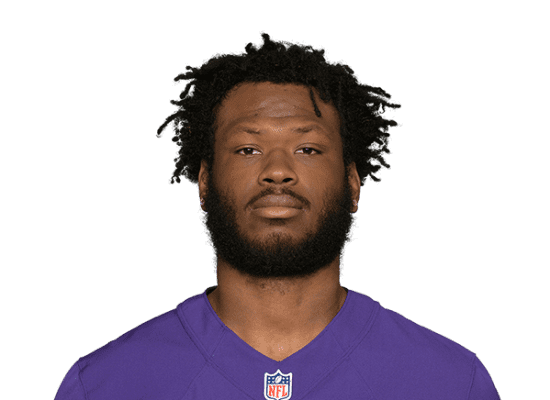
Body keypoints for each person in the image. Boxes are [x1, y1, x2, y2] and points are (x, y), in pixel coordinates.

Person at [54, 31, 501, 399]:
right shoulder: (102, 385)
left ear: (352, 184)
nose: (278, 171)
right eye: (248, 149)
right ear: (204, 182)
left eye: (308, 148)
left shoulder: (452, 382)